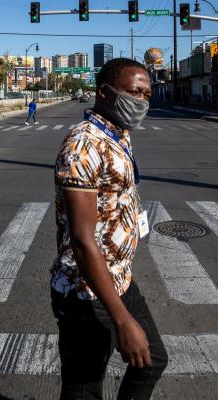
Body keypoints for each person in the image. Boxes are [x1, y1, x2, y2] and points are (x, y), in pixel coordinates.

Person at [50, 58, 167, 400]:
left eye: (147, 94)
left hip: (119, 276)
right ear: (104, 93)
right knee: (84, 388)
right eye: (134, 92)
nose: (142, 102)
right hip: (84, 288)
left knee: (152, 360)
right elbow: (83, 242)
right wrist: (122, 320)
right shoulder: (84, 145)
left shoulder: (117, 133)